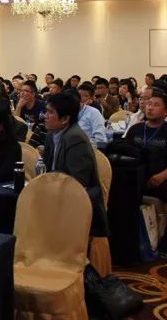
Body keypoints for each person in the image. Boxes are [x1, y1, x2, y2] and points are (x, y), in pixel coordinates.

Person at [124, 92, 167, 260]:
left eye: (155, 105)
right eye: (148, 104)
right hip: (135, 178)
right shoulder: (136, 129)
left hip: (161, 179)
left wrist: (162, 176)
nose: (150, 108)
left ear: (166, 112)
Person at [42, 92, 109, 238]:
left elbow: (78, 183)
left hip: (77, 203)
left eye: (50, 112)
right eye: (46, 111)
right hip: (55, 194)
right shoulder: (51, 135)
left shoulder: (75, 139)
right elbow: (46, 169)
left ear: (65, 119)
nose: (45, 116)